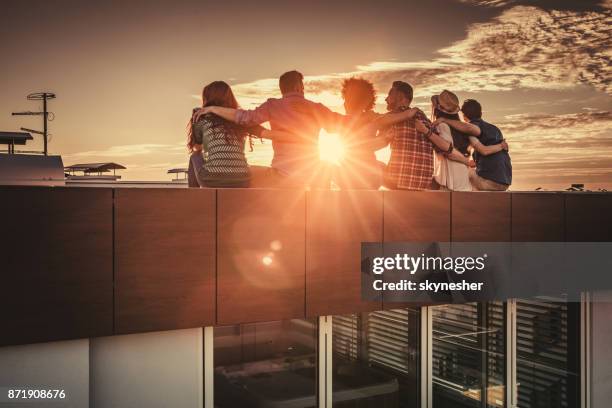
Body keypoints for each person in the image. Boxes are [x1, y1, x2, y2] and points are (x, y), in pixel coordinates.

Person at [193, 70, 345, 189]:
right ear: (299, 86)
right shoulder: (316, 108)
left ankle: (190, 200)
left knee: (240, 172)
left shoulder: (273, 106)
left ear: (282, 88)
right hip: (312, 175)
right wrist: (365, 116)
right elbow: (341, 125)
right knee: (240, 173)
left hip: (281, 176)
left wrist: (212, 108)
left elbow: (246, 117)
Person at [187, 81, 292, 188]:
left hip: (211, 179)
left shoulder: (202, 118)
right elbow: (269, 134)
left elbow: (197, 147)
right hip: (242, 179)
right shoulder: (241, 120)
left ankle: (192, 198)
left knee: (195, 156)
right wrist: (299, 136)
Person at [376, 81, 467, 191]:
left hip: (399, 182)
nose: (386, 99)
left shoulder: (394, 118)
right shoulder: (425, 120)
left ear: (400, 97)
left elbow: (377, 143)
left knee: (374, 165)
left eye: (390, 94)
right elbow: (447, 149)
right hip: (423, 184)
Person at [333, 77, 421, 189]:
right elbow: (383, 134)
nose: (344, 103)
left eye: (346, 99)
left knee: (324, 167)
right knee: (381, 167)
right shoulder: (371, 117)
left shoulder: (350, 119)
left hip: (354, 175)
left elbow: (384, 124)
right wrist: (406, 115)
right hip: (369, 174)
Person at [434, 99, 512, 191]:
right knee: (470, 172)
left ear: (464, 116)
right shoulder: (495, 129)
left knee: (464, 173)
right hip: (505, 183)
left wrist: (444, 120)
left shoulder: (473, 128)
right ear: (480, 112)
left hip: (490, 183)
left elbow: (484, 150)